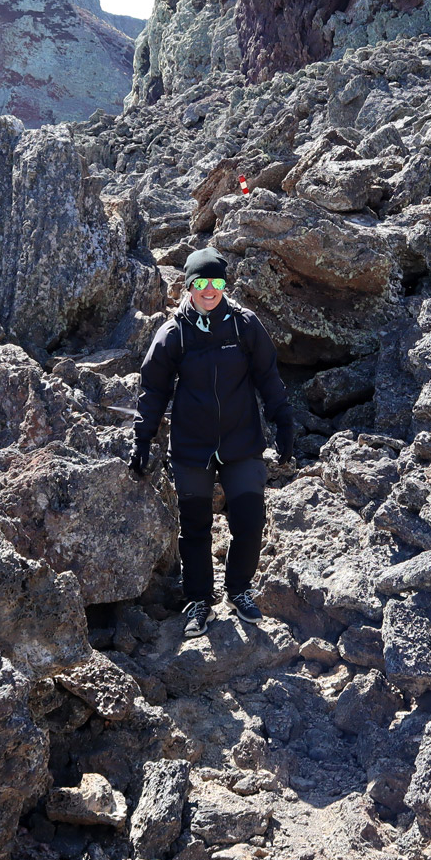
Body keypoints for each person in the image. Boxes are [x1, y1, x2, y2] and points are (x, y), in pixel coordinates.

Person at [130, 247, 293, 637]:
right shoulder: (173, 333)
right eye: (200, 283)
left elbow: (267, 375)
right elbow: (153, 389)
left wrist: (283, 418)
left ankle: (238, 590)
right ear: (187, 286)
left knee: (250, 522)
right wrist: (142, 438)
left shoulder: (243, 325)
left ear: (224, 285)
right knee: (195, 528)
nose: (209, 290)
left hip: (242, 442)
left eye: (216, 282)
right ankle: (199, 600)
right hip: (191, 447)